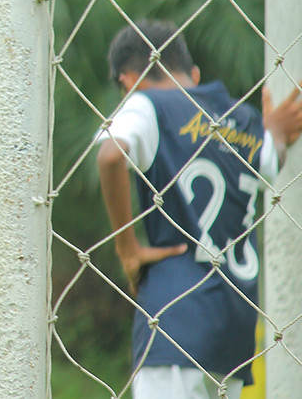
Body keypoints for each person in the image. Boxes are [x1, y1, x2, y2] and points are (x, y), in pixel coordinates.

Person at [96, 20, 302, 399]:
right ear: (193, 74)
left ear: (128, 81)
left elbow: (111, 156)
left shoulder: (148, 104)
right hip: (234, 332)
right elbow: (274, 154)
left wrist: (128, 250)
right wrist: (271, 129)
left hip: (175, 320)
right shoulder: (241, 120)